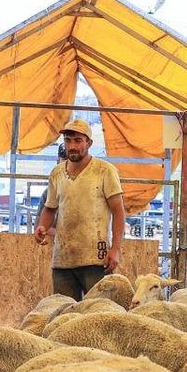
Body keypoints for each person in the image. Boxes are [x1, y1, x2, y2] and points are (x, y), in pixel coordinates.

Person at [34, 119, 126, 301]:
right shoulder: (57, 174)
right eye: (68, 141)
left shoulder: (104, 171)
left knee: (97, 311)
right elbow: (50, 208)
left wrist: (115, 248)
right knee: (63, 311)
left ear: (89, 143)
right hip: (63, 259)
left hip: (95, 259)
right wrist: (42, 227)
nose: (72, 146)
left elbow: (118, 211)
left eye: (78, 140)